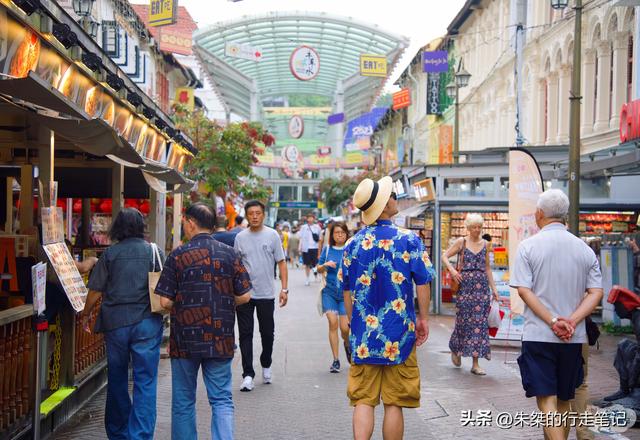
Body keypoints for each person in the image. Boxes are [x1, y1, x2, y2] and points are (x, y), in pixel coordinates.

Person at [340, 176, 434, 440]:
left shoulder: (352, 244)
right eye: (391, 195)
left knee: (363, 399)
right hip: (400, 335)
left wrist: (353, 323)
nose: (394, 198)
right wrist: (423, 318)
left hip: (363, 336)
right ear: (384, 206)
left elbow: (346, 290)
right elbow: (423, 282)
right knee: (394, 402)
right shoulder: (409, 240)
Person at [510, 189, 603, 440]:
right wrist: (571, 320)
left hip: (539, 334)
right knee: (564, 396)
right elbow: (596, 292)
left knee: (546, 398)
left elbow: (524, 290)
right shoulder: (584, 249)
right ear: (565, 215)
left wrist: (552, 320)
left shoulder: (528, 247)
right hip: (573, 337)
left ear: (539, 214)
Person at [155, 203, 252, 440]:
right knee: (221, 399)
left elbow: (164, 301)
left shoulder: (177, 255)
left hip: (184, 341)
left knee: (183, 401)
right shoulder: (230, 253)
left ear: (190, 223)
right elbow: (245, 295)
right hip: (220, 338)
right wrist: (222, 302)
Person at [82, 208, 164, 440]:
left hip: (116, 323)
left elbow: (95, 290)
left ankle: (118, 433)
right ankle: (140, 435)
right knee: (145, 381)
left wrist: (86, 314)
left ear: (117, 227)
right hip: (147, 322)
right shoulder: (153, 251)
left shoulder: (110, 254)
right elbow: (165, 285)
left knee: (117, 378)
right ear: (141, 226)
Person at [234, 200, 289, 392]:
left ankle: (266, 364)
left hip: (266, 293)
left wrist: (284, 289)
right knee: (245, 334)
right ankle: (248, 374)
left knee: (267, 333)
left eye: (258, 213)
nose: (255, 216)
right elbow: (236, 265)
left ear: (263, 215)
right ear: (247, 216)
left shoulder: (273, 235)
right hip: (245, 294)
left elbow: (281, 263)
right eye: (251, 213)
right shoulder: (240, 237)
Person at [443, 213, 499, 375]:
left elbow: (487, 268)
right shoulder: (462, 242)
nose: (477, 230)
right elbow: (444, 256)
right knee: (463, 322)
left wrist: (493, 289)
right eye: (474, 227)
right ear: (468, 228)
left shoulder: (486, 244)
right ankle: (456, 348)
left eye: (479, 227)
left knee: (479, 325)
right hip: (465, 287)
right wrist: (452, 271)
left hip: (481, 288)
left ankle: (475, 363)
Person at [317, 222, 351, 372]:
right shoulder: (328, 249)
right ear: (332, 235)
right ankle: (336, 360)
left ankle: (347, 344)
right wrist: (325, 265)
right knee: (332, 323)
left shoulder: (350, 249)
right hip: (329, 292)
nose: (340, 235)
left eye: (342, 233)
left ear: (346, 234)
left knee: (345, 328)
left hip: (345, 295)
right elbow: (318, 268)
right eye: (337, 233)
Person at [299, 213, 321, 286]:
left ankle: (316, 276)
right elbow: (301, 238)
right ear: (307, 219)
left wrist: (319, 250)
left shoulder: (317, 227)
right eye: (309, 218)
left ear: (314, 219)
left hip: (315, 248)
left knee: (315, 264)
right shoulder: (303, 227)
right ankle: (307, 279)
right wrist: (300, 247)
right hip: (306, 248)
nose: (310, 219)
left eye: (312, 218)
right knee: (307, 264)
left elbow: (320, 239)